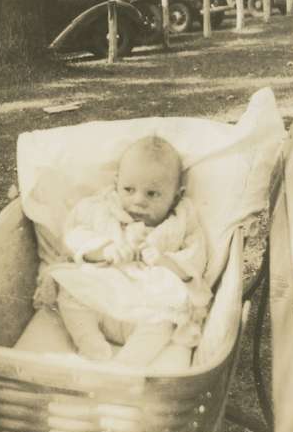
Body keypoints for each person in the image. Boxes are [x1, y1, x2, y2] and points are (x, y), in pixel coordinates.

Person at [44, 136, 212, 367]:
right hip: (101, 296)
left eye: (152, 194)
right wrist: (104, 249)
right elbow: (74, 236)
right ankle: (92, 348)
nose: (138, 201)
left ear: (177, 195)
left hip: (148, 307)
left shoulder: (182, 222)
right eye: (128, 189)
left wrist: (165, 261)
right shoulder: (101, 208)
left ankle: (126, 366)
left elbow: (195, 260)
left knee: (166, 319)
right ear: (116, 184)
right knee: (70, 294)